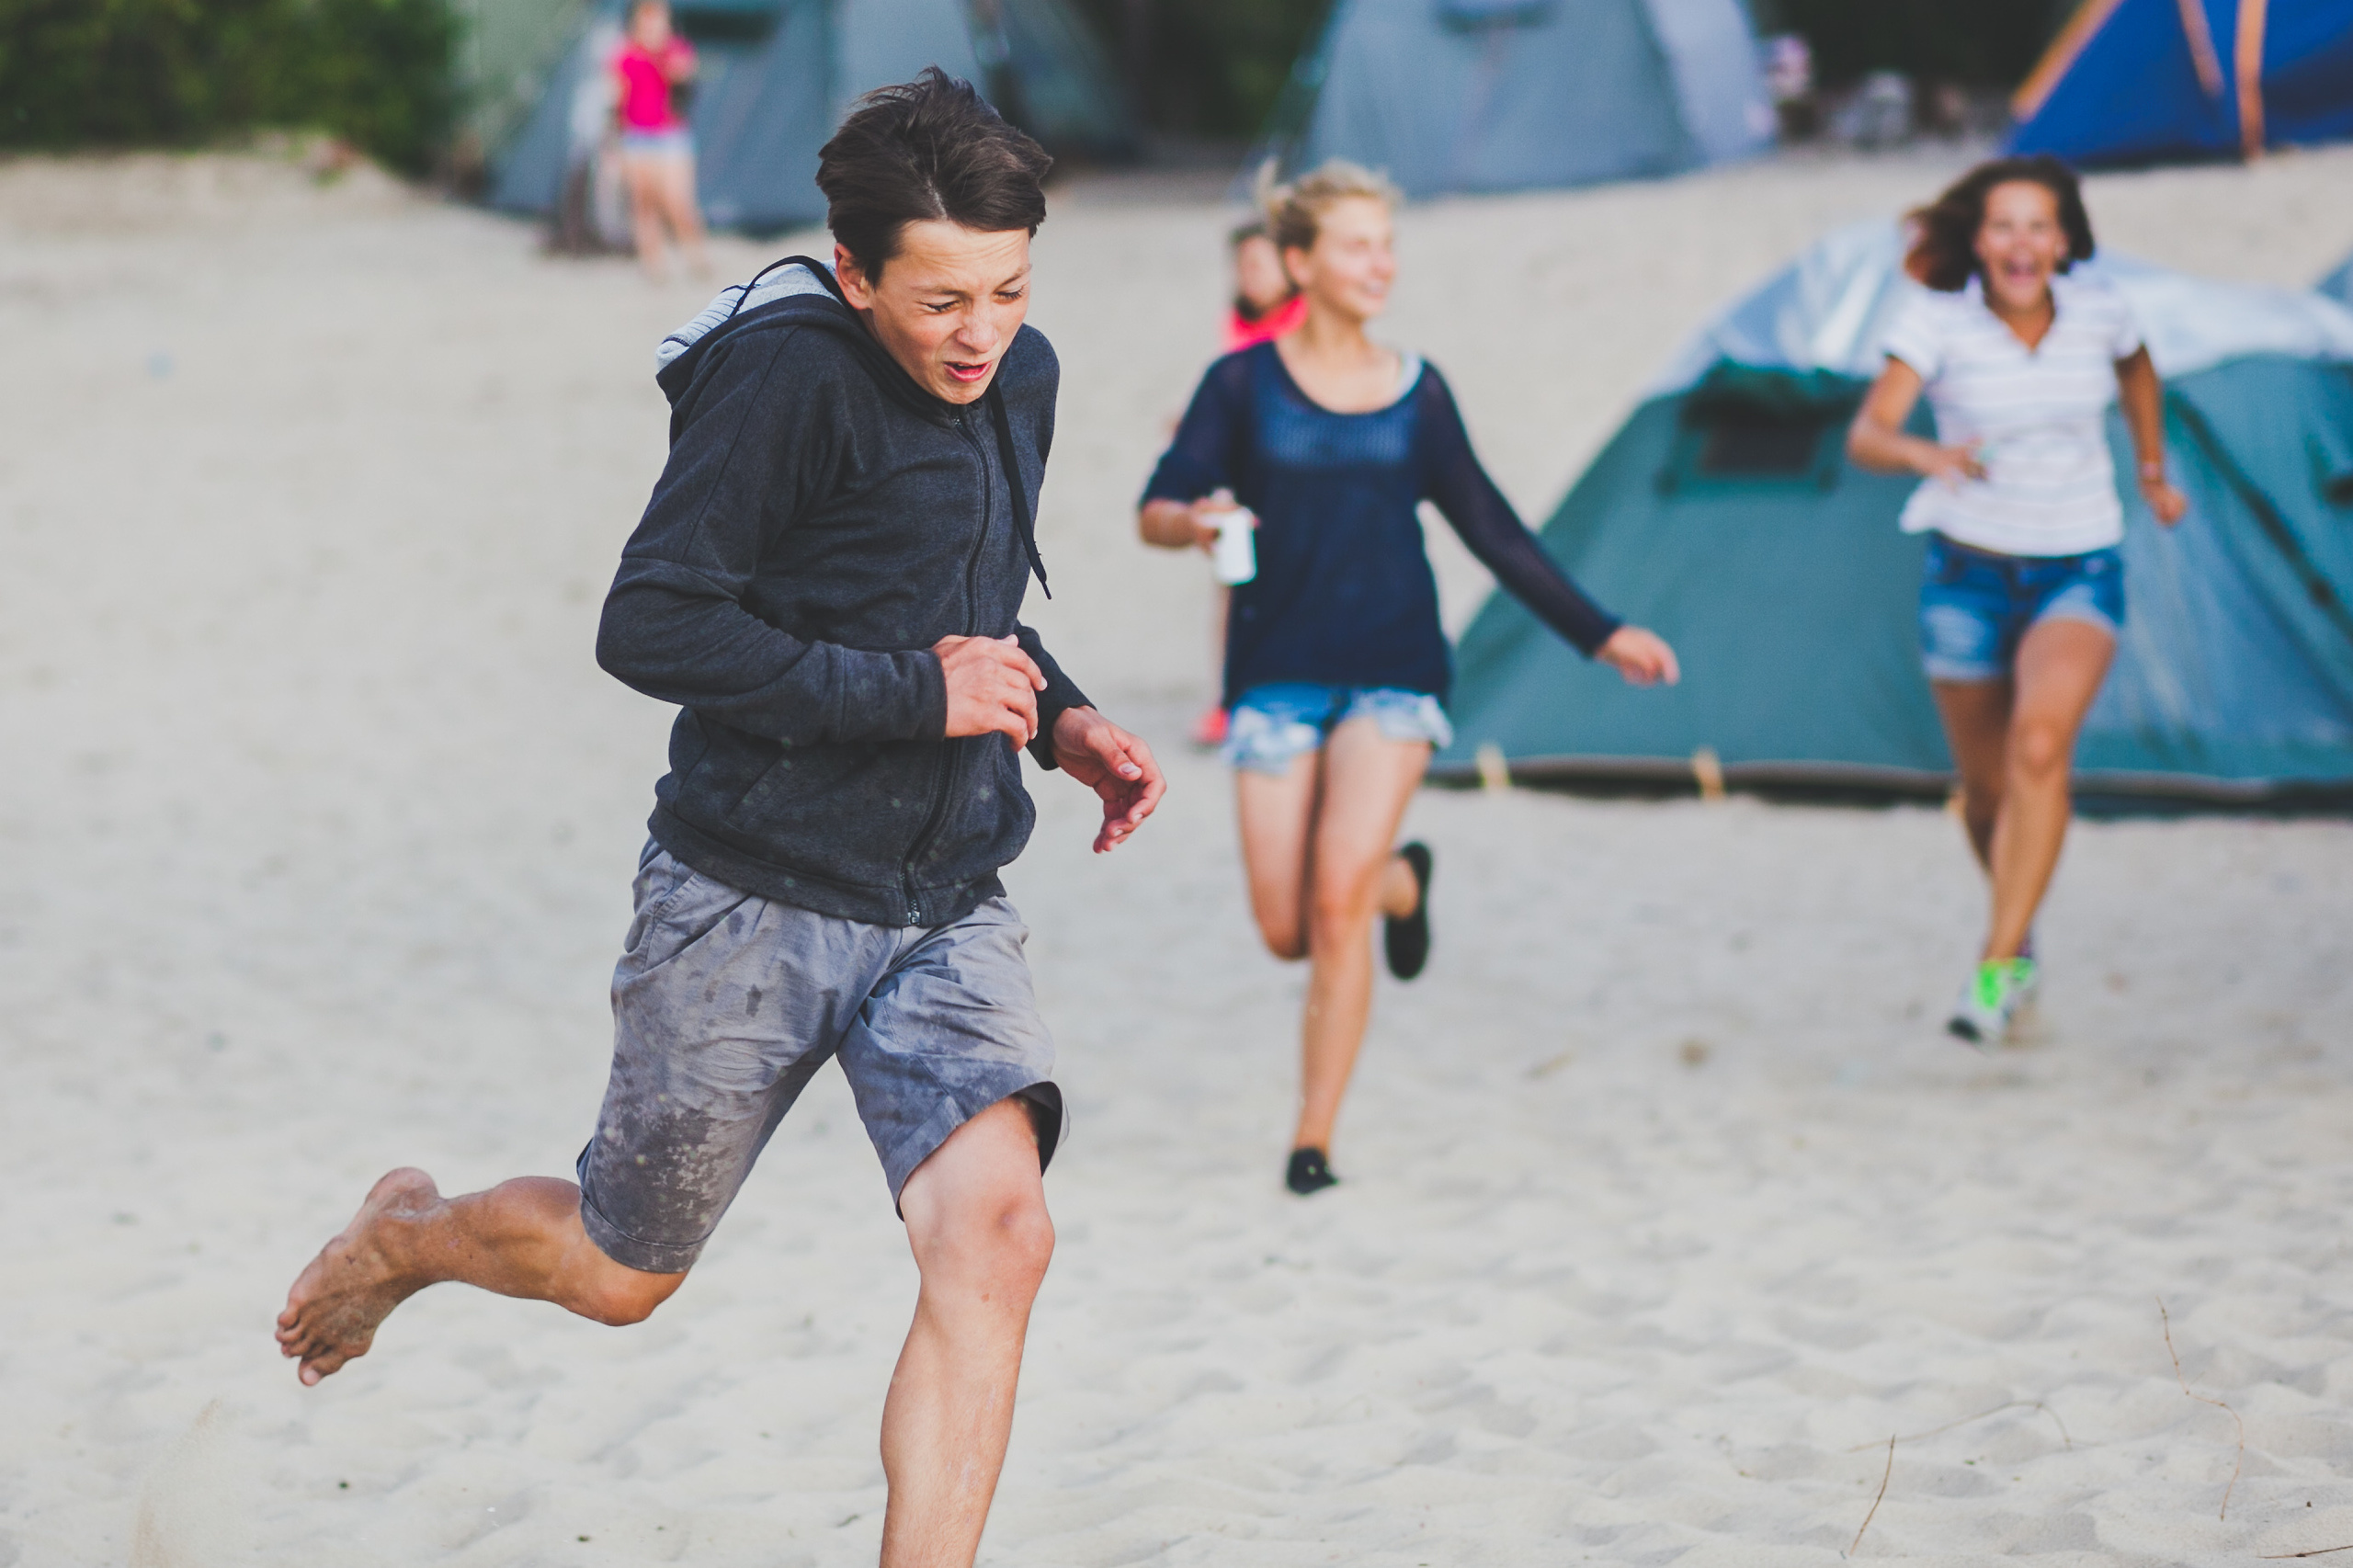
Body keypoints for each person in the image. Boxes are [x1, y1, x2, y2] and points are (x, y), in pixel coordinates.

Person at [277, 70, 1165, 1568]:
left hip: (945, 896)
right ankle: (412, 1232)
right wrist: (913, 696)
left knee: (1001, 1234)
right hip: (748, 893)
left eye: (1007, 290)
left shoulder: (1024, 379)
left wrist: (1060, 719)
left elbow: (965, 610)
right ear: (854, 273)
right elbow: (653, 624)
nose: (979, 332)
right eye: (939, 299)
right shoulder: (788, 383)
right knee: (621, 1276)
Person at [1137, 161, 1678, 1195]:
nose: (1378, 263)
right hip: (1274, 676)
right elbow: (1154, 507)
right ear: (1299, 261)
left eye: (1385, 244)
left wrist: (1599, 632)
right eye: (1355, 245)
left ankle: (1313, 1139)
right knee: (1285, 922)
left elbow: (1494, 532)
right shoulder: (1240, 386)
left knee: (1334, 908)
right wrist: (1196, 520)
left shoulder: (1419, 391)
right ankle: (1404, 878)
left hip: (1392, 671)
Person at [1847, 155, 2187, 1045]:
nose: (2021, 243)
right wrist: (1926, 455)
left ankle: (1995, 964)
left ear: (2064, 239)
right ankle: (2021, 928)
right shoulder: (1935, 321)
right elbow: (1867, 433)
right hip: (1965, 576)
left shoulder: (2102, 310)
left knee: (2040, 746)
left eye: (2038, 226)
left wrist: (2151, 470)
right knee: (1987, 797)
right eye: (2003, 226)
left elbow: (2139, 374)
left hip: (2078, 565)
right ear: (1978, 240)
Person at [1190, 221, 1310, 749]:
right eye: (1242, 265)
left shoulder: (1306, 321)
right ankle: (1230, 695)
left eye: (1260, 264)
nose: (1250, 275)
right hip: (1241, 473)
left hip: (1293, 475)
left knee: (1297, 580)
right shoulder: (1235, 321)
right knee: (1233, 582)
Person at [613, 0, 709, 281]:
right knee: (643, 203)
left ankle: (696, 256)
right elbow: (618, 98)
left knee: (678, 202)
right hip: (636, 136)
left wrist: (669, 63)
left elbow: (686, 81)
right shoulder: (626, 54)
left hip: (670, 136)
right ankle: (653, 265)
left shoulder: (676, 50)